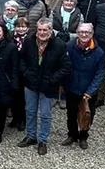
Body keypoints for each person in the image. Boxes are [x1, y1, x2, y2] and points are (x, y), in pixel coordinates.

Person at [17, 18, 72, 156]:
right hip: (31, 84)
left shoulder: (59, 45)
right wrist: (25, 73)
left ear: (50, 30)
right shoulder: (29, 41)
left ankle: (43, 140)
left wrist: (53, 80)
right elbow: (21, 59)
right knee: (29, 111)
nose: (41, 32)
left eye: (45, 30)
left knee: (45, 115)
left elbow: (66, 67)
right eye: (39, 29)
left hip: (48, 87)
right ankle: (31, 136)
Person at [63, 22, 103, 149]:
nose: (84, 35)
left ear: (92, 34)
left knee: (87, 114)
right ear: (77, 33)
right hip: (72, 88)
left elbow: (99, 74)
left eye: (87, 32)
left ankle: (83, 136)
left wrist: (90, 92)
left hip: (88, 91)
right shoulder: (69, 46)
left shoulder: (99, 52)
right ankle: (72, 135)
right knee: (71, 114)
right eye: (81, 32)